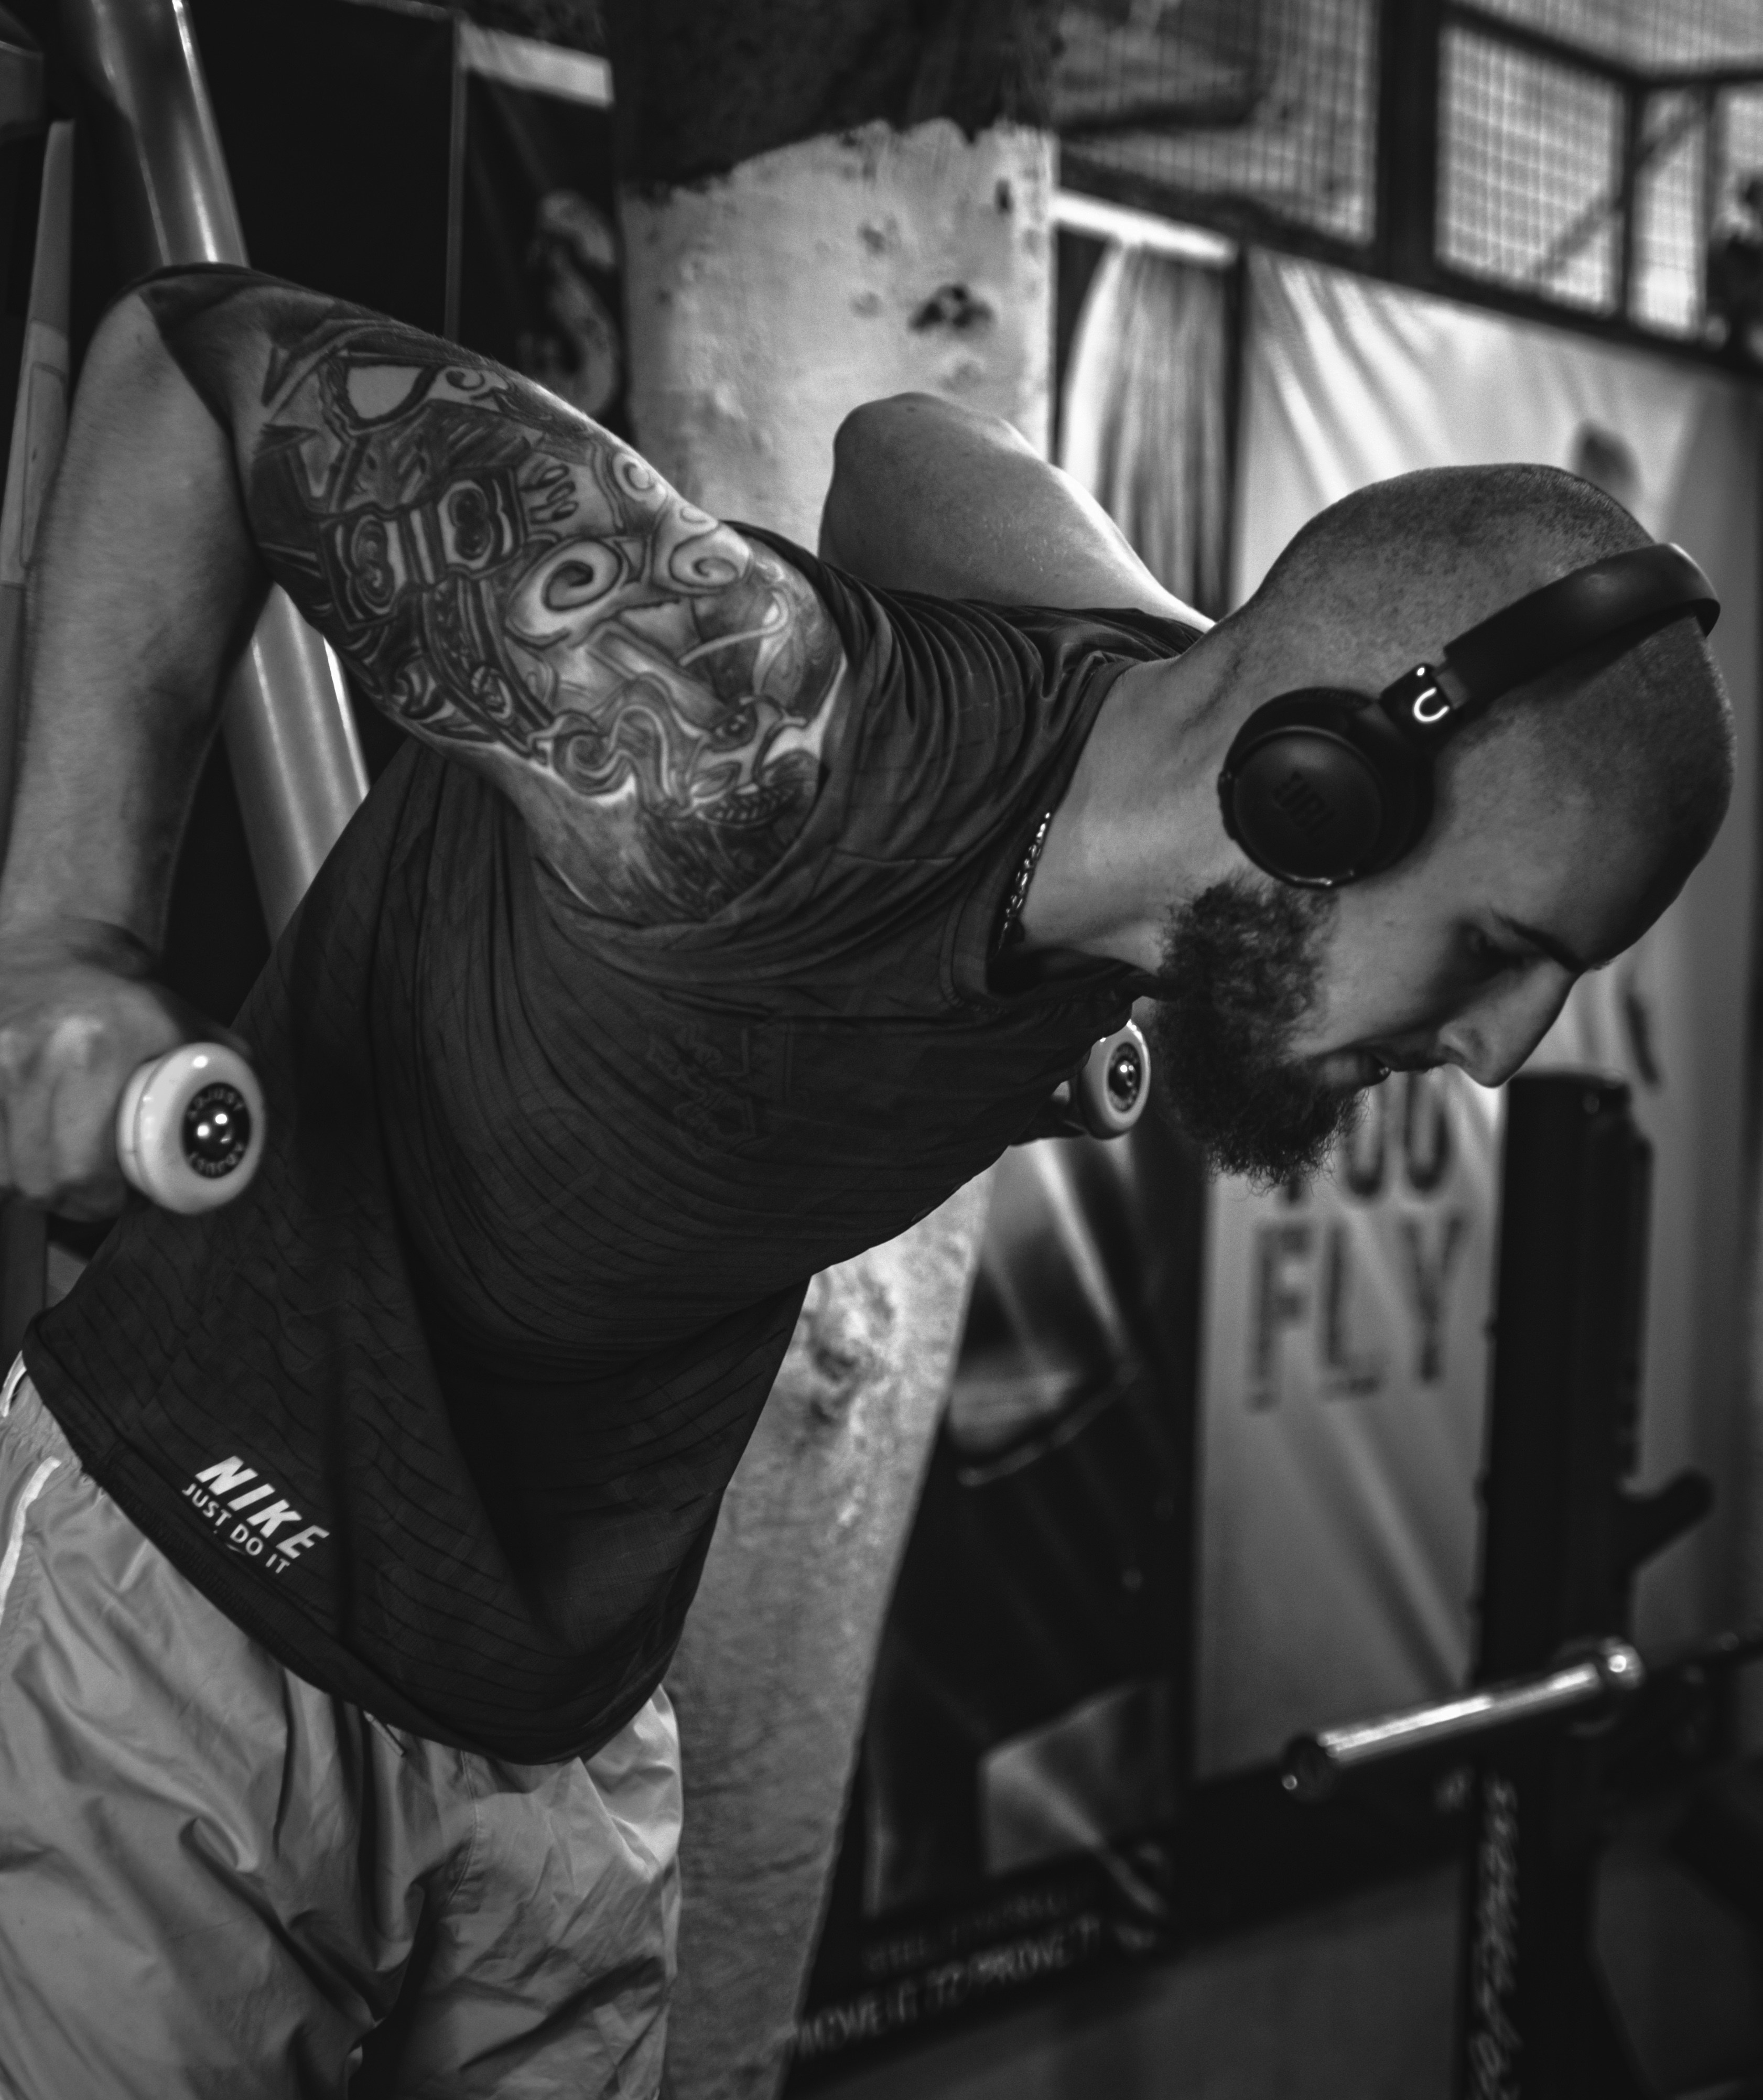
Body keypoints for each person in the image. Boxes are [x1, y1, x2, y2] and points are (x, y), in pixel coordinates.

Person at [0, 268, 1731, 2098]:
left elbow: (911, 446)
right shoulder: (721, 738)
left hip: (557, 1738)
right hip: (195, 1635)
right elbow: (190, 360)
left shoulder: (1145, 822)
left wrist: (1187, 679)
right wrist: (65, 935)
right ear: (1319, 791)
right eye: (1495, 951)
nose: (1500, 1054)